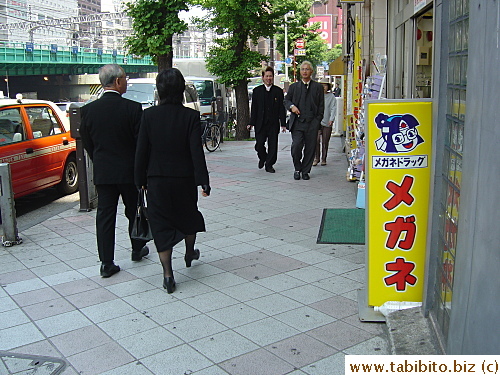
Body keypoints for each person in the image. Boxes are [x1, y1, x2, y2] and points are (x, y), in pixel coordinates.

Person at [135, 68, 211, 294]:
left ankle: (168, 274)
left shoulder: (148, 116)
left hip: (156, 180)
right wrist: (203, 181)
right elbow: (195, 151)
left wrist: (139, 180)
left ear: (159, 90)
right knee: (188, 215)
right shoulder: (190, 116)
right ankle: (189, 253)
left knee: (161, 223)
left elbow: (141, 152)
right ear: (180, 90)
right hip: (184, 179)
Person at [80, 64, 149, 278]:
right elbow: (141, 145)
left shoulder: (88, 110)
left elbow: (88, 142)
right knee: (134, 210)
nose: (126, 82)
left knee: (105, 215)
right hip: (129, 171)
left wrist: (99, 160)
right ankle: (137, 249)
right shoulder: (133, 109)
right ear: (118, 81)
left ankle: (106, 263)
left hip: (104, 172)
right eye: (126, 79)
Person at [283, 61, 324, 180]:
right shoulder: (294, 87)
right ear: (300, 72)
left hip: (312, 122)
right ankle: (297, 168)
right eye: (302, 69)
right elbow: (286, 101)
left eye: (307, 69)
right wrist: (292, 107)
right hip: (297, 123)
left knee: (310, 148)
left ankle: (306, 171)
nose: (305, 71)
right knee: (296, 146)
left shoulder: (318, 87)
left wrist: (317, 121)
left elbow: (321, 106)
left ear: (311, 72)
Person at [247, 66, 287, 173]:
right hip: (260, 123)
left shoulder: (278, 91)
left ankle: (269, 164)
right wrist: (251, 122)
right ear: (263, 77)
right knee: (259, 144)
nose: (269, 78)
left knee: (273, 145)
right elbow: (254, 108)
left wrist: (283, 123)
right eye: (267, 76)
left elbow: (281, 108)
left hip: (273, 123)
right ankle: (263, 157)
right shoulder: (257, 91)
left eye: (271, 76)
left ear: (273, 77)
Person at [313, 78, 337, 166]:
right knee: (316, 140)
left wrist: (331, 119)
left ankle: (324, 158)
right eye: (321, 85)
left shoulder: (331, 97)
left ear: (328, 87)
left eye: (325, 85)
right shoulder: (316, 96)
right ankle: (316, 158)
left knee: (325, 141)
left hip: (327, 121)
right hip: (317, 122)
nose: (323, 87)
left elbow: (333, 108)